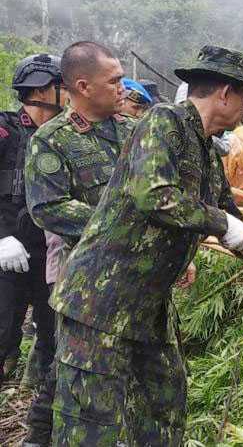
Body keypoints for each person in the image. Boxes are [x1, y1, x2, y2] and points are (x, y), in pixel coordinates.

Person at [48, 45, 243, 446]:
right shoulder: (162, 123)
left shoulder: (205, 150)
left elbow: (240, 230)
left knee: (163, 408)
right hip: (100, 300)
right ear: (225, 93)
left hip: (149, 306)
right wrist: (219, 222)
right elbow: (154, 194)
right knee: (89, 424)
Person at [22, 41, 137, 447]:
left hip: (139, 280)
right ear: (83, 86)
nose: (123, 87)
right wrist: (122, 225)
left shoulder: (133, 132)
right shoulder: (52, 140)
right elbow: (49, 208)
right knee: (81, 382)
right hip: (87, 285)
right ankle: (43, 435)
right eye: (115, 80)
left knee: (137, 377)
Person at [0, 54, 65, 390]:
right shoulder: (5, 131)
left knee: (54, 337)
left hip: (47, 256)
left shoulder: (66, 135)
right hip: (7, 255)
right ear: (42, 90)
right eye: (62, 87)